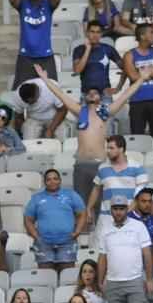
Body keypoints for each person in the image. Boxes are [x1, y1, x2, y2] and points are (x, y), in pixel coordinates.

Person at [32, 69, 146, 215]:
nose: (92, 94)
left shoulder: (106, 112)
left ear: (100, 97)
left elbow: (125, 96)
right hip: (81, 164)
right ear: (85, 97)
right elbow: (60, 94)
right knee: (81, 205)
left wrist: (141, 79)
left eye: (95, 92)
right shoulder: (80, 111)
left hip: (100, 164)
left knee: (100, 204)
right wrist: (45, 79)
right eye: (89, 92)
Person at [99, 194, 153, 303]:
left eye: (122, 208)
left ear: (127, 209)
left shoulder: (138, 226)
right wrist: (100, 282)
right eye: (115, 208)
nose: (118, 212)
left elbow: (147, 254)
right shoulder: (105, 229)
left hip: (134, 281)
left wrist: (149, 279)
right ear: (111, 210)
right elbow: (102, 257)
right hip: (112, 283)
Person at [24, 169, 86, 271]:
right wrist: (36, 236)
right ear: (45, 183)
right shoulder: (36, 198)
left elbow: (82, 213)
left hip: (67, 242)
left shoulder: (71, 195)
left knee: (66, 277)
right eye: (49, 179)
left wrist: (77, 231)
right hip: (43, 243)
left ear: (60, 180)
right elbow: (28, 219)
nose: (52, 181)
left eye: (55, 179)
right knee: (46, 278)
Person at [84, 136, 148, 228]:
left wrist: (126, 214)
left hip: (130, 218)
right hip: (106, 218)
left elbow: (141, 195)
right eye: (107, 148)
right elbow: (96, 189)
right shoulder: (102, 167)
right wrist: (89, 208)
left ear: (121, 149)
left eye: (111, 148)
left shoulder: (137, 168)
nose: (108, 151)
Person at [123, 24, 153, 139]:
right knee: (137, 138)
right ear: (142, 36)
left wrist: (143, 73)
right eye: (152, 32)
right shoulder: (129, 55)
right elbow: (132, 76)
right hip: (137, 101)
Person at [9, 0, 59, 88]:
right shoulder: (22, 4)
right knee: (19, 91)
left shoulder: (48, 4)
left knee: (53, 91)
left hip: (46, 57)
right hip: (25, 57)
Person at [71, 20, 123, 104]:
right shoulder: (78, 50)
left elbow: (126, 67)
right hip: (86, 95)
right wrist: (88, 49)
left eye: (98, 32)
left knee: (105, 117)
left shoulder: (108, 49)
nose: (95, 35)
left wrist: (119, 87)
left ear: (101, 34)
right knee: (87, 117)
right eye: (92, 32)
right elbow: (77, 70)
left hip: (105, 95)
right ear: (87, 33)